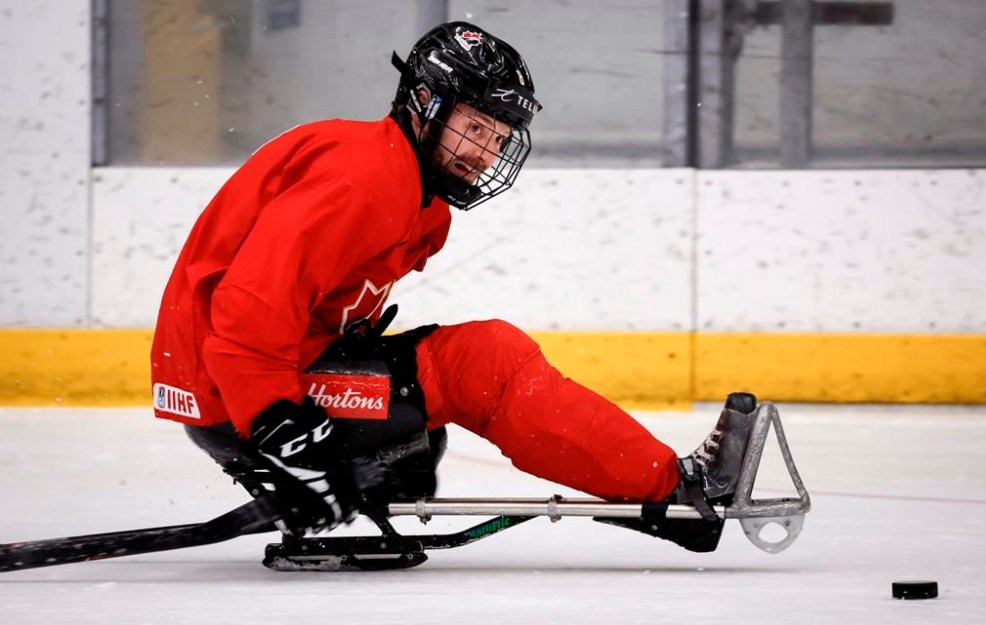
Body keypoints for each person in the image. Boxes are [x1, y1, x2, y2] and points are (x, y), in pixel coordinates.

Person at [150, 21, 756, 551]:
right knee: (482, 366)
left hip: (259, 377)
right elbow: (250, 308)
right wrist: (284, 432)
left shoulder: (415, 195)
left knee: (442, 402)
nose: (485, 152)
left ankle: (661, 488)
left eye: (498, 137)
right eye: (475, 127)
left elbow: (304, 303)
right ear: (424, 103)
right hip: (236, 395)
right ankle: (676, 493)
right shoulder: (361, 181)